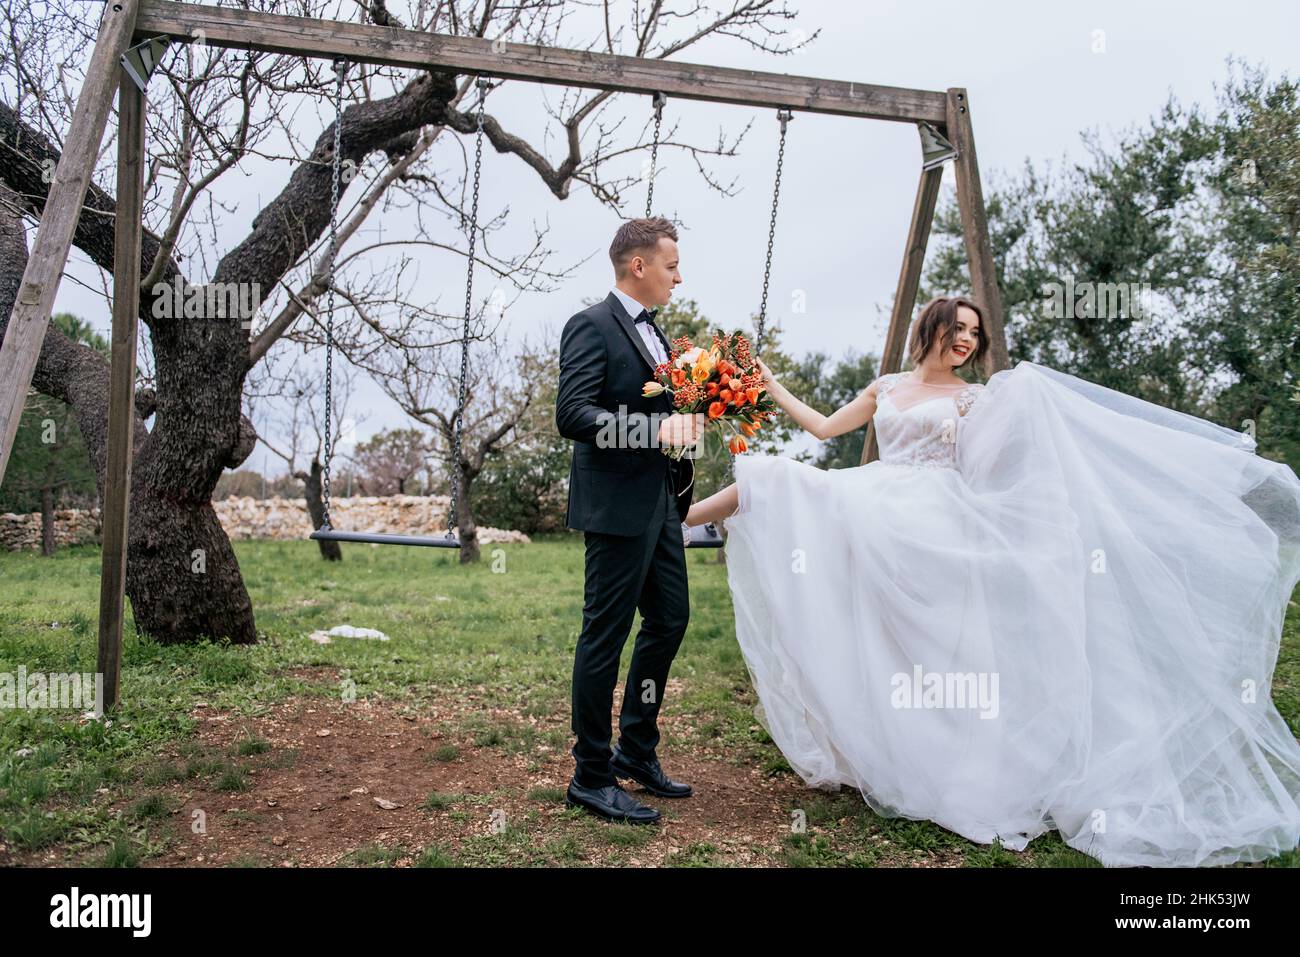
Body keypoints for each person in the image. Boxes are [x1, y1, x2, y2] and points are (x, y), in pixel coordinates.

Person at [684, 295, 1300, 866]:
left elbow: (1000, 466)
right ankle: (678, 521)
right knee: (778, 479)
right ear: (932, 329)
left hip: (938, 518)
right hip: (880, 500)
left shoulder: (977, 398)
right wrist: (768, 384)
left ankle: (942, 755)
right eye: (959, 330)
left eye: (975, 335)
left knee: (935, 649)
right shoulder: (888, 386)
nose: (967, 342)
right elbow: (822, 429)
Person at [554, 216, 704, 824]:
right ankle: (590, 776)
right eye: (671, 266)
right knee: (604, 638)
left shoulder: (660, 337)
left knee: (670, 619)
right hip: (616, 509)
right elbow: (572, 413)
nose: (679, 276)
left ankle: (635, 751)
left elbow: (666, 409)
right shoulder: (590, 325)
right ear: (637, 266)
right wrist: (653, 428)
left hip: (663, 505)